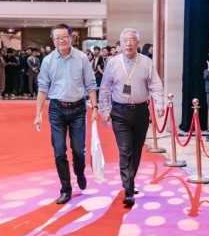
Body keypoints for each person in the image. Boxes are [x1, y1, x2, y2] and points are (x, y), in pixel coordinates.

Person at [35, 24, 99, 205]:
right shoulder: (48, 61)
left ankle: (79, 172)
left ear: (71, 37)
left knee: (78, 150)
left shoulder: (81, 58)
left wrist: (95, 108)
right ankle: (65, 189)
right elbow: (42, 88)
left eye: (64, 37)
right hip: (57, 109)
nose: (61, 40)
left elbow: (91, 84)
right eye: (57, 38)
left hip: (78, 108)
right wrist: (38, 114)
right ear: (53, 40)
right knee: (59, 151)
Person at [99, 28, 164, 207]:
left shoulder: (146, 62)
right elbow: (105, 88)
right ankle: (128, 190)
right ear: (120, 44)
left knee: (136, 151)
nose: (128, 44)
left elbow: (155, 85)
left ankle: (130, 180)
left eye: (132, 40)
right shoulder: (113, 63)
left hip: (141, 112)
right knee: (125, 150)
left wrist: (159, 103)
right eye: (125, 40)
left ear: (137, 43)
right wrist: (105, 110)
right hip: (119, 112)